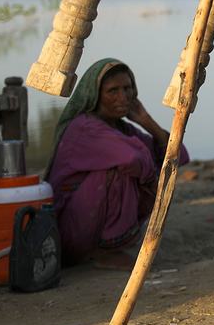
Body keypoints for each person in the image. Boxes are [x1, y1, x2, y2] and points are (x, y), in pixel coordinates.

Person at [46, 58, 189, 270]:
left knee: (136, 166)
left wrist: (146, 120)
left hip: (83, 226)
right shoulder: (85, 128)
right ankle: (102, 252)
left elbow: (180, 157)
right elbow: (133, 159)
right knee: (118, 171)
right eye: (113, 91)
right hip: (65, 233)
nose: (123, 97)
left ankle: (106, 249)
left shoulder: (121, 128)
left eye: (127, 88)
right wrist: (150, 182)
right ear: (95, 95)